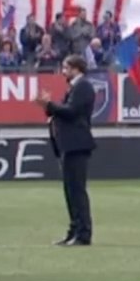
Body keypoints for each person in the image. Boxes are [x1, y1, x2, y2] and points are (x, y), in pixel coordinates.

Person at [38, 53, 96, 246]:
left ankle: (83, 233)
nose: (63, 72)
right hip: (69, 144)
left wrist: (49, 105)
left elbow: (71, 112)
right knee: (70, 191)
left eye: (66, 68)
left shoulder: (83, 87)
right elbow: (64, 110)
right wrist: (49, 107)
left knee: (77, 191)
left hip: (77, 144)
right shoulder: (75, 87)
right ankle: (74, 231)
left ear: (76, 69)